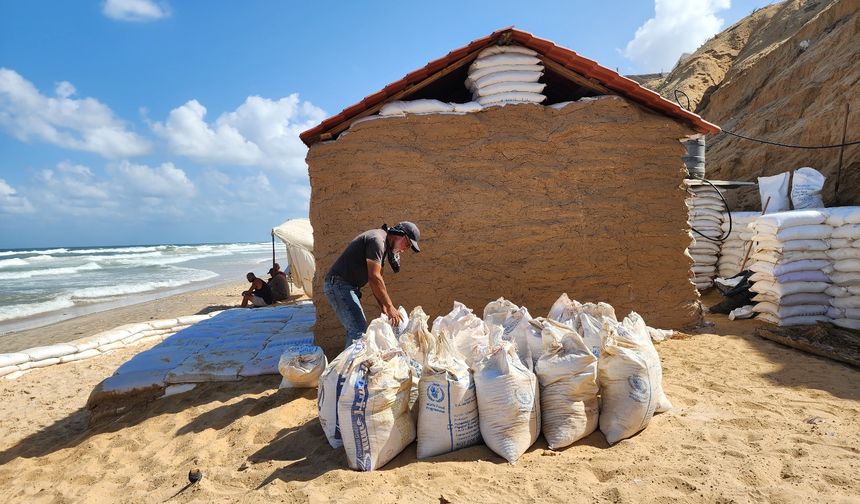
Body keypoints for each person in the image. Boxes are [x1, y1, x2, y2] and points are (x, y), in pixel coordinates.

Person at [324, 221, 420, 347]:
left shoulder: (383, 245)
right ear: (399, 235)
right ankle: (349, 366)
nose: (404, 250)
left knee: (358, 331)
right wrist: (390, 306)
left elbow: (378, 279)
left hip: (347, 287)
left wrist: (384, 307)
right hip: (339, 285)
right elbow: (374, 277)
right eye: (407, 244)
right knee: (358, 331)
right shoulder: (377, 241)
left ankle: (350, 364)